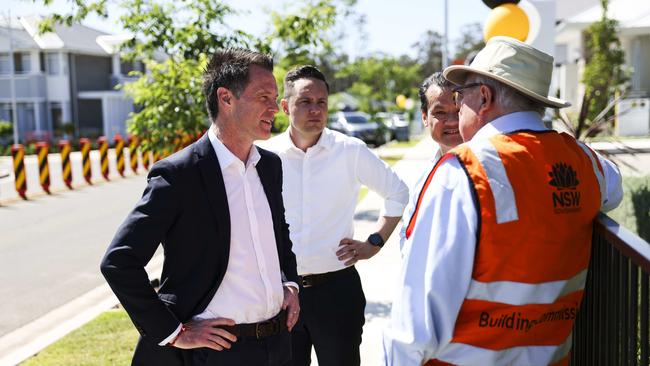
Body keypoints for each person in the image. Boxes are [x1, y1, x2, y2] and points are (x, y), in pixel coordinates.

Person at [382, 36, 623, 365]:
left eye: (459, 96)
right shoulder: (582, 160)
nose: (457, 107)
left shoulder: (463, 170)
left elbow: (415, 325)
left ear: (484, 97)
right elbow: (613, 187)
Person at [100, 48, 300, 366]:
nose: (275, 108)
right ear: (226, 98)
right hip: (216, 354)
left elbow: (279, 234)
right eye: (264, 97)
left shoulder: (270, 166)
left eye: (274, 98)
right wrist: (173, 332)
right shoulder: (179, 175)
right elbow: (119, 261)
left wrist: (289, 282)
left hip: (278, 347)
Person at [262, 65, 409, 366]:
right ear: (285, 106)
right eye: (305, 102)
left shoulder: (350, 151)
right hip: (278, 295)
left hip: (336, 292)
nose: (315, 110)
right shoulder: (263, 155)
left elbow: (398, 193)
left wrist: (374, 242)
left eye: (321, 103)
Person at [398, 72, 462, 252]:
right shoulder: (424, 175)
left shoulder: (487, 167)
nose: (452, 122)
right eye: (440, 113)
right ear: (425, 117)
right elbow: (407, 232)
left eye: (458, 111)